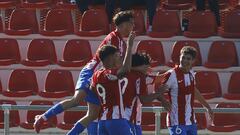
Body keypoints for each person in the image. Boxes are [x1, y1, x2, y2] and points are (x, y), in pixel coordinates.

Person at [33, 10, 134, 135]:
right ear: (123, 24)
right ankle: (42, 118)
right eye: (131, 23)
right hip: (92, 72)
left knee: (92, 114)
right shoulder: (114, 38)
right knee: (77, 100)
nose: (132, 27)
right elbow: (115, 64)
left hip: (103, 78)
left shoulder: (122, 42)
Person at [154, 46, 213, 135]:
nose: (184, 60)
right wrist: (164, 101)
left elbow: (194, 91)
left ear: (193, 61)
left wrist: (207, 106)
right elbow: (157, 92)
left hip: (191, 121)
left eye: (188, 58)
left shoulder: (191, 74)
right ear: (180, 57)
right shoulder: (172, 74)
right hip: (176, 121)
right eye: (183, 57)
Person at [91, 31, 136, 135]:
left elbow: (92, 89)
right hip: (116, 120)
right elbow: (126, 70)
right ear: (109, 58)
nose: (119, 57)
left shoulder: (96, 75)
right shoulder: (109, 73)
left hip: (102, 121)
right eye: (117, 55)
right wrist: (129, 46)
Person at [123, 53, 170, 135]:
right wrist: (160, 92)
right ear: (142, 65)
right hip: (130, 118)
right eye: (147, 65)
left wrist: (162, 99)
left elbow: (149, 91)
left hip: (118, 116)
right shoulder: (141, 77)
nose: (149, 68)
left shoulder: (123, 74)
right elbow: (144, 99)